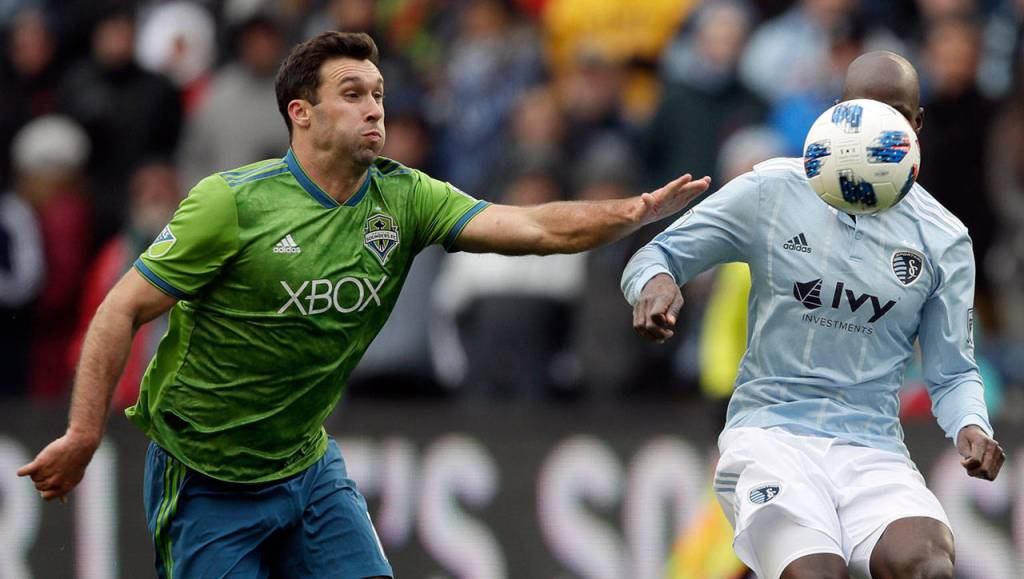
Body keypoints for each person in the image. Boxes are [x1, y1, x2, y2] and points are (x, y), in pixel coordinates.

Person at [17, 32, 710, 579]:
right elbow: (119, 308)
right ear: (302, 112)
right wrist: (83, 434)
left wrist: (629, 212)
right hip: (206, 476)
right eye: (352, 93)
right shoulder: (231, 204)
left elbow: (529, 227)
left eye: (378, 92)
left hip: (305, 463)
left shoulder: (403, 196)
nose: (375, 106)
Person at [622, 51, 1005, 579]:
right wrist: (655, 285)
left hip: (871, 448)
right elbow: (656, 254)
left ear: (916, 125)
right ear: (838, 114)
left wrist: (970, 423)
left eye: (893, 114)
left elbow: (953, 370)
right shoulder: (772, 190)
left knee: (927, 563)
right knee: (817, 573)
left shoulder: (942, 237)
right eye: (861, 110)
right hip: (771, 434)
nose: (875, 129)